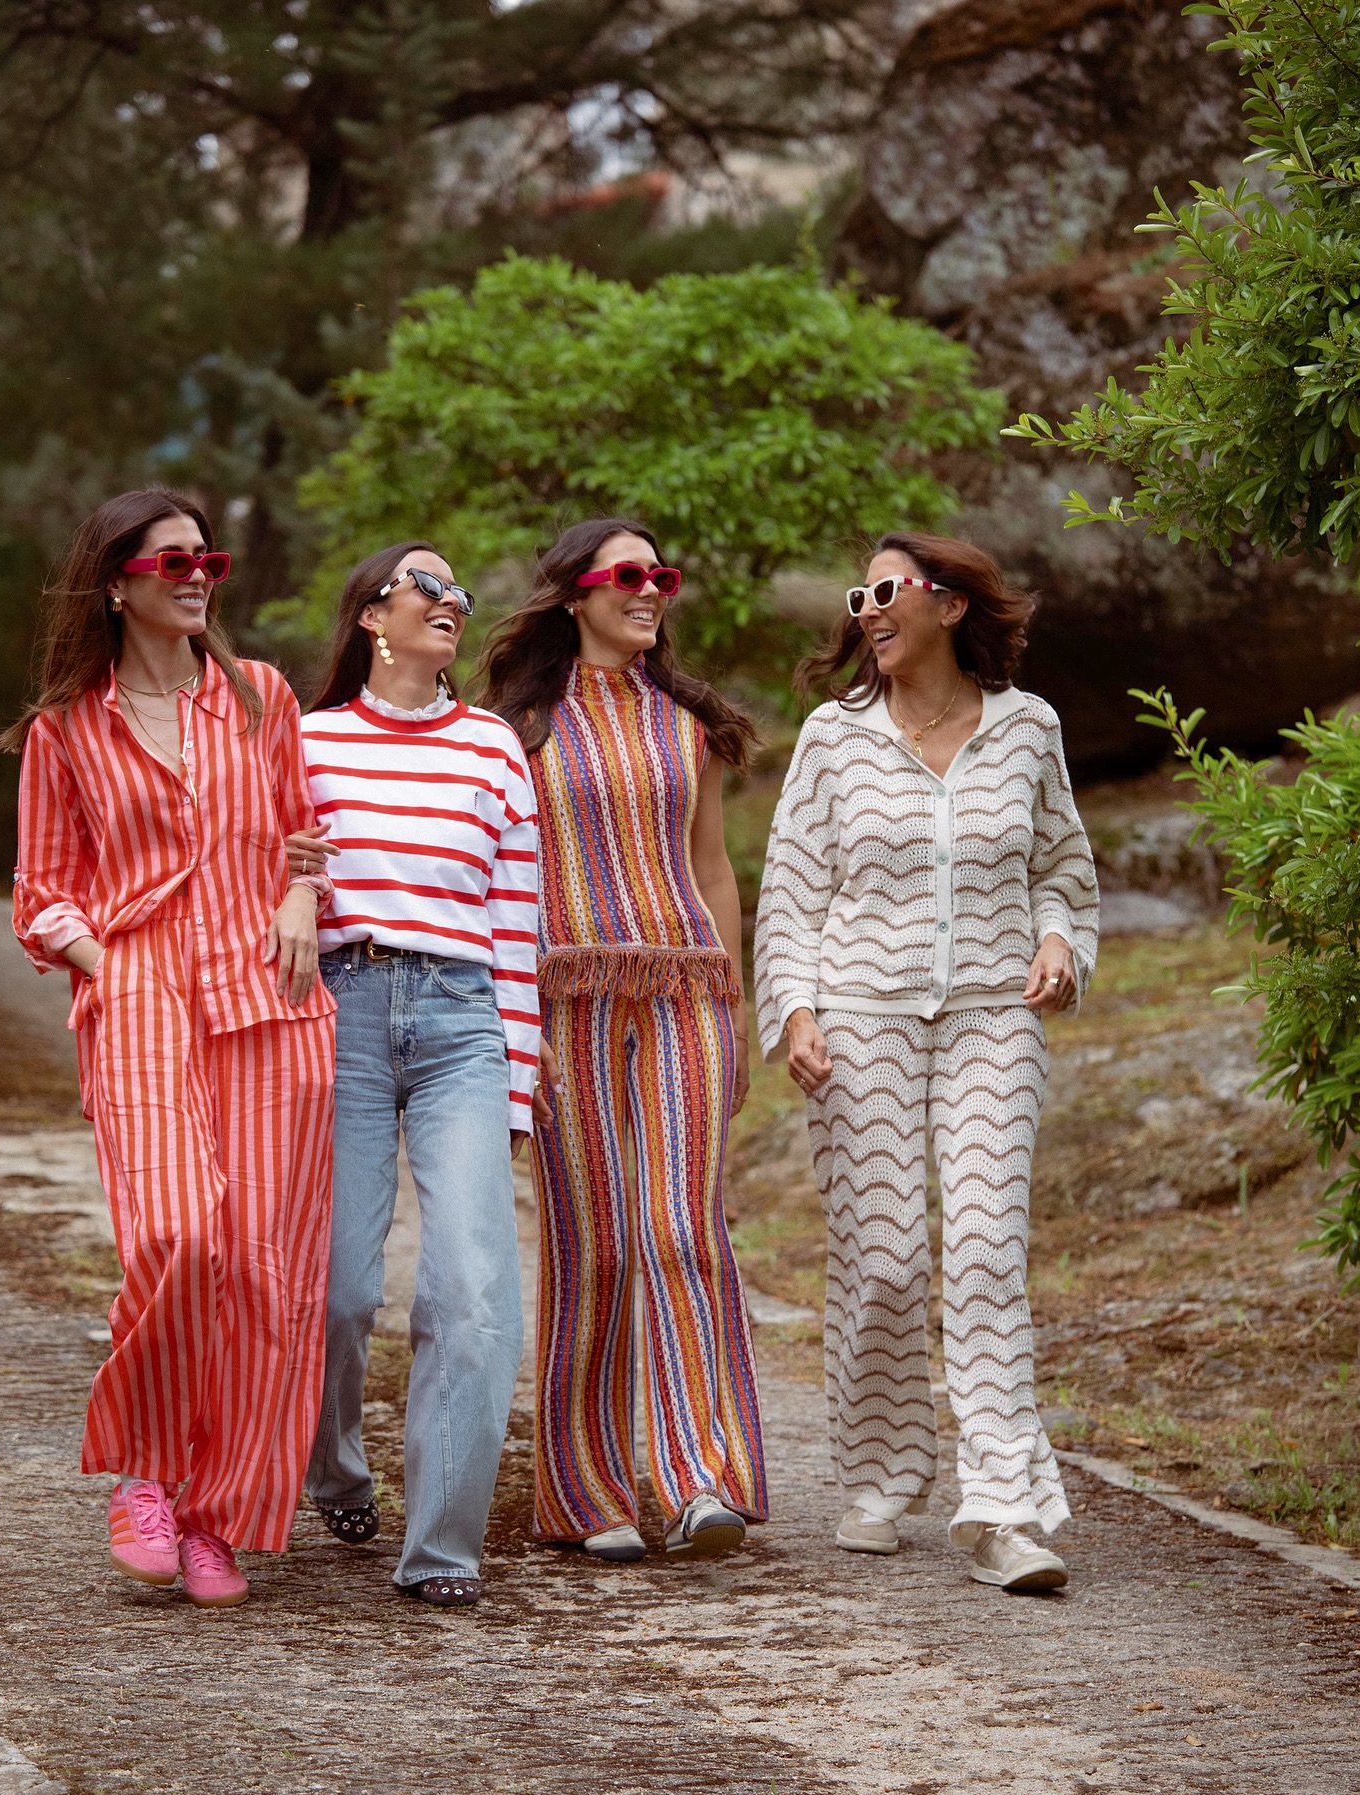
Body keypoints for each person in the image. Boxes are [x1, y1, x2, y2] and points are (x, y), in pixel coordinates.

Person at [0, 489, 335, 1608]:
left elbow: (305, 836)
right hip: (138, 993)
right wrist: (108, 963)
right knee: (179, 1236)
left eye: (209, 560)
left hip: (272, 1000)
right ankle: (146, 1469)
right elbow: (41, 892)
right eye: (173, 561)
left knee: (265, 1273)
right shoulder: (65, 728)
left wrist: (301, 896)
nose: (199, 576)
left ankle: (214, 1518)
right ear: (117, 583)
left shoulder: (261, 696)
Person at [754, 530, 1098, 1592]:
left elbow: (1062, 867)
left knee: (988, 1248)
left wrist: (1059, 941)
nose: (867, 609)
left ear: (949, 604)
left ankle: (1003, 1508)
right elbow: (792, 891)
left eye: (887, 591)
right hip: (860, 1021)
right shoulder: (834, 736)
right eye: (858, 595)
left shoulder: (1028, 727)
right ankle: (879, 1474)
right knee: (889, 1259)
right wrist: (797, 1010)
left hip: (996, 1016)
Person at [478, 517, 768, 1562]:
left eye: (661, 576)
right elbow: (494, 879)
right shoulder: (514, 730)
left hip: (687, 991)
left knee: (683, 1230)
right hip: (566, 1000)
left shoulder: (688, 722)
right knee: (593, 1242)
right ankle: (586, 1490)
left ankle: (702, 1480)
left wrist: (734, 999)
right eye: (629, 576)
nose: (651, 591)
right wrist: (510, 1024)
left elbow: (714, 866)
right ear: (576, 595)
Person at [284, 542, 538, 1609]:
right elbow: (269, 881)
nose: (450, 603)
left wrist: (517, 1077)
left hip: (461, 1022)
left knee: (472, 1288)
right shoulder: (304, 741)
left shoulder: (494, 748)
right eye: (426, 586)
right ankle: (333, 1465)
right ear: (371, 616)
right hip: (336, 1013)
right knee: (337, 1288)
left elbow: (516, 924)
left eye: (459, 593)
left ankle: (441, 1546)